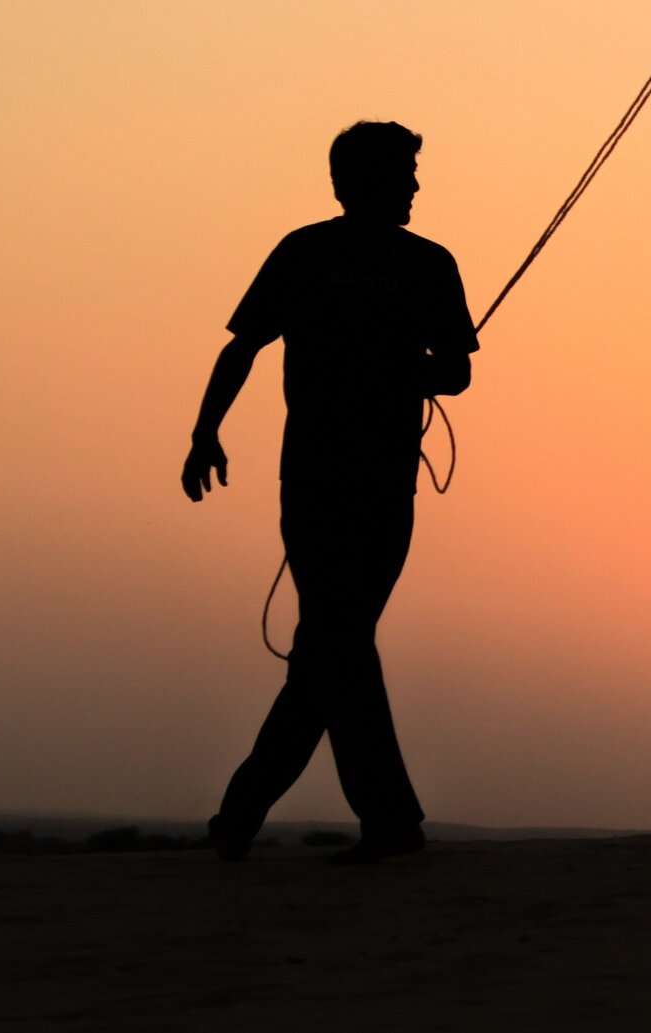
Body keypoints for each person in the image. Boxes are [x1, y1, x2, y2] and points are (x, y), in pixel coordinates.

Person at [180, 120, 477, 865]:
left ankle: (243, 817)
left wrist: (406, 369)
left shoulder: (430, 264)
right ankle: (382, 823)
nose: (414, 187)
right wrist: (204, 431)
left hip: (383, 485)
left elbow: (457, 373)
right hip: (315, 479)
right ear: (358, 181)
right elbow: (243, 344)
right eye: (403, 174)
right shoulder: (304, 252)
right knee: (338, 642)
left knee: (331, 644)